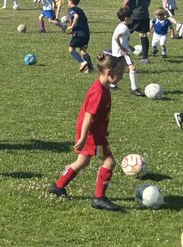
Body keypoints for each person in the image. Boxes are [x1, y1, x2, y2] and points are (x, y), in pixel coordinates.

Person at [48, 52, 126, 211]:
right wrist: (83, 137)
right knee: (109, 162)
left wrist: (104, 129)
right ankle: (99, 198)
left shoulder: (102, 87)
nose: (122, 78)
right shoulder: (99, 92)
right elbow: (88, 116)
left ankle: (58, 186)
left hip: (95, 132)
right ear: (109, 73)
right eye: (120, 74)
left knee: (82, 161)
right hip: (92, 134)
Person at [111, 7, 146, 96]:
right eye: (131, 17)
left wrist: (131, 48)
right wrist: (122, 48)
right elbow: (116, 37)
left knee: (120, 72)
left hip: (119, 52)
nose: (132, 19)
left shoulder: (121, 26)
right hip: (122, 52)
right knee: (132, 68)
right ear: (126, 18)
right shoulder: (123, 28)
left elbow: (123, 40)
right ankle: (134, 89)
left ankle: (112, 85)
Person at [122, 0, 153, 67]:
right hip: (144, 14)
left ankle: (122, 56)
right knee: (143, 35)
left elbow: (126, 1)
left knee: (123, 34)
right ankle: (145, 58)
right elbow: (148, 0)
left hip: (132, 15)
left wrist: (124, 12)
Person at [65, 0, 94, 73]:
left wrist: (72, 26)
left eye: (68, 0)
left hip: (79, 33)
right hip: (86, 32)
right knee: (83, 50)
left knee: (71, 50)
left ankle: (82, 62)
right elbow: (85, 20)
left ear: (70, 1)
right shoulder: (80, 9)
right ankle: (91, 69)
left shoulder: (71, 10)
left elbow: (76, 16)